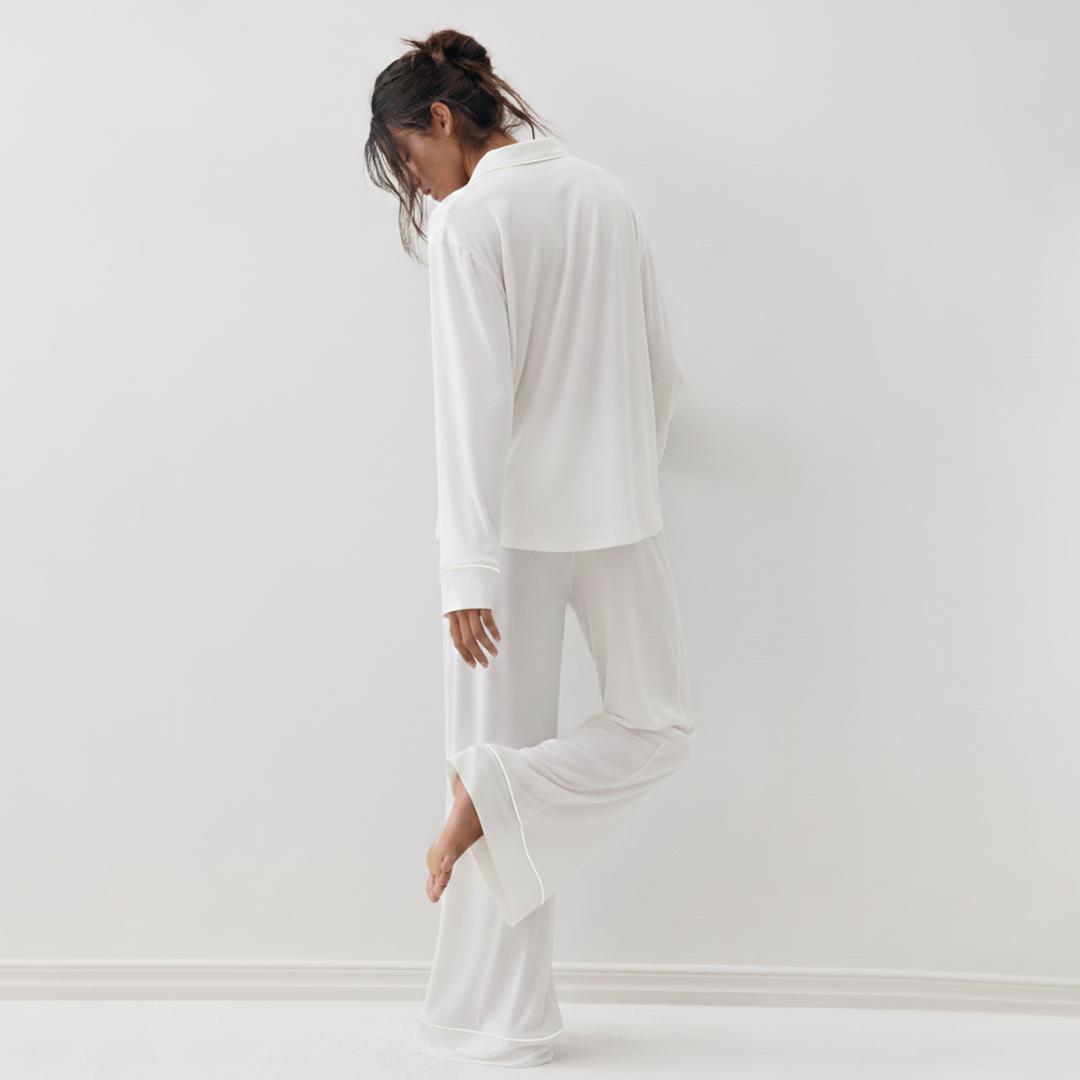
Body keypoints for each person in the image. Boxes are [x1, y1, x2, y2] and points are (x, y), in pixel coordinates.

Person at [365, 28, 695, 1068]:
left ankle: (495, 1007)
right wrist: (622, 468)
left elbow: (473, 406)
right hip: (620, 517)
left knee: (505, 754)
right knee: (654, 724)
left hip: (508, 542)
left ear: (441, 119)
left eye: (408, 156)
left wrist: (464, 568)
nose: (416, 182)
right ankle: (498, 823)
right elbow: (663, 372)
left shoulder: (472, 221)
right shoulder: (604, 193)